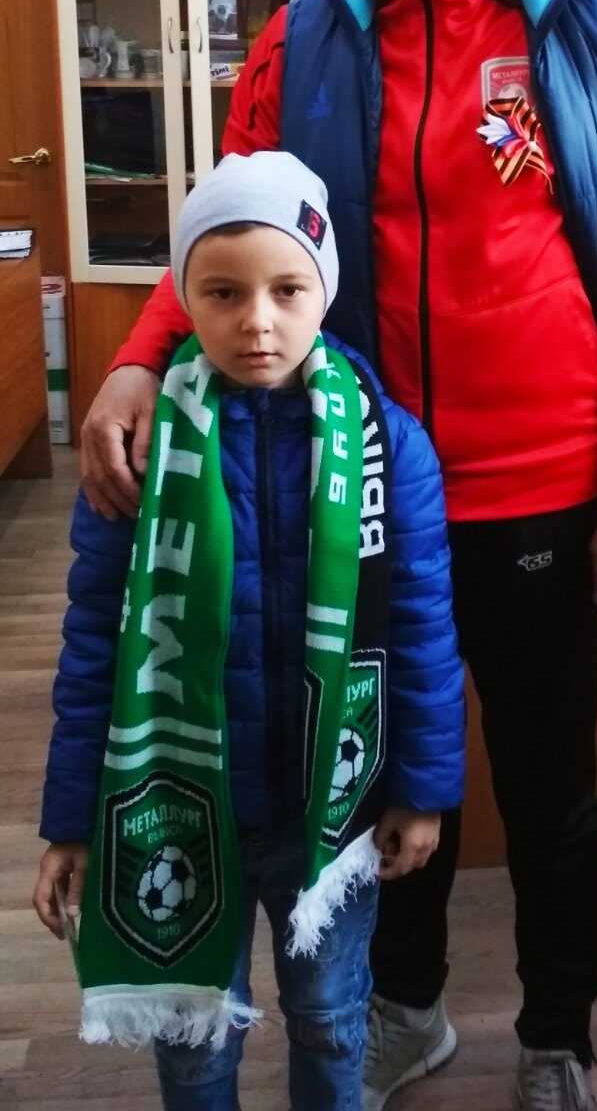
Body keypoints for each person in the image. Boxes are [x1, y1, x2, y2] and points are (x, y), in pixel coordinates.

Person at [78, 0, 597, 1111]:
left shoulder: (589, 34)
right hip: (354, 495)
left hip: (548, 494)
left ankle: (559, 1035)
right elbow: (231, 236)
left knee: (547, 791)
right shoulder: (305, 40)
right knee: (374, 786)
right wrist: (135, 357)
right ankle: (408, 1008)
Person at [34, 150, 465, 1111]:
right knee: (194, 1039)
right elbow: (95, 641)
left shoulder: (391, 444)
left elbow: (423, 632)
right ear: (184, 296)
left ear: (325, 291)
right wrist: (71, 819)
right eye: (223, 292)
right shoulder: (139, 452)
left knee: (332, 1018)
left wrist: (423, 789)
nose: (257, 321)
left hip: (335, 809)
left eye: (286, 290)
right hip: (185, 813)